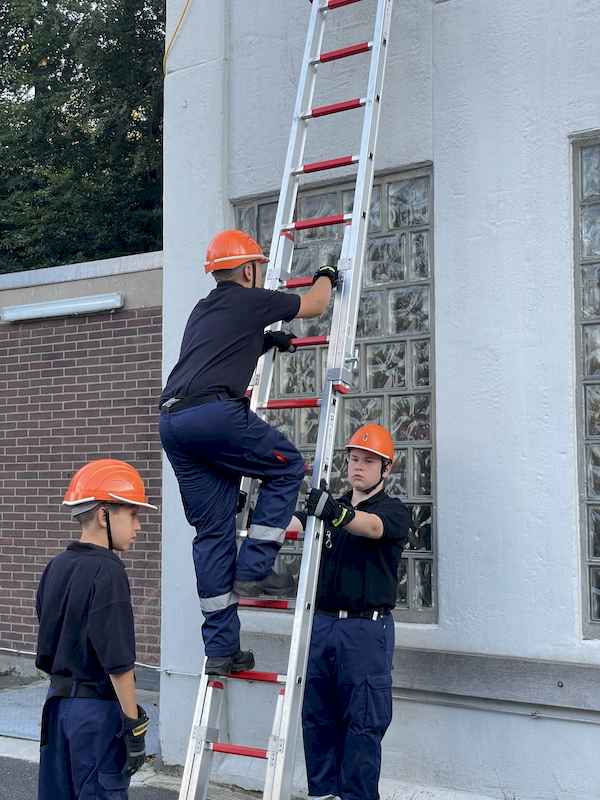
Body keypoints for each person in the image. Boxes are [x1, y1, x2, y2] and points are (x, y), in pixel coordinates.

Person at [159, 228, 337, 676]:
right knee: (286, 466)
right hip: (214, 417)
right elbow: (316, 304)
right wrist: (327, 273)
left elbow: (217, 351)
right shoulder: (251, 300)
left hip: (174, 423)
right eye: (257, 266)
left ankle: (221, 651)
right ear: (247, 270)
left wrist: (266, 342)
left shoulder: (203, 310)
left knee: (212, 532)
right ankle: (256, 568)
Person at [288, 424, 410, 800]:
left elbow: (370, 527)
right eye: (354, 459)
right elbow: (291, 525)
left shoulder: (393, 511)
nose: (358, 466)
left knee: (363, 724)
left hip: (365, 633)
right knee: (317, 719)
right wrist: (252, 509)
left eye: (369, 461)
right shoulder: (329, 507)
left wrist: (334, 513)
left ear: (386, 468)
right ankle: (322, 794)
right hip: (322, 625)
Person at [35, 459, 157, 800]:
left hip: (56, 709)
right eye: (132, 514)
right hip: (96, 716)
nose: (138, 526)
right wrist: (133, 725)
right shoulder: (109, 572)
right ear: (104, 515)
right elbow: (118, 662)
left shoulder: (55, 566)